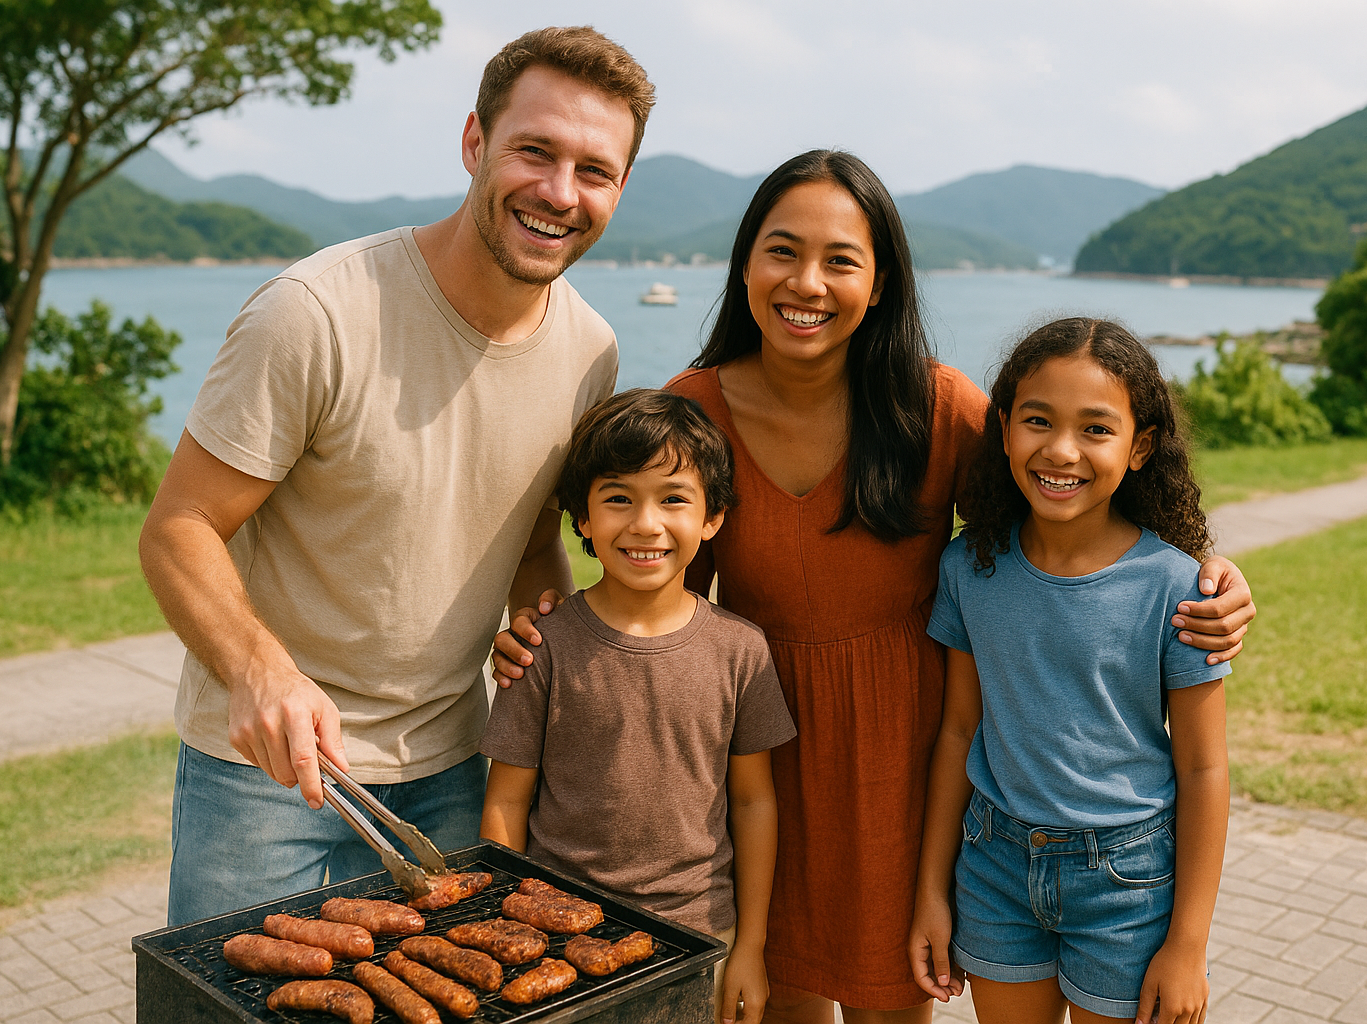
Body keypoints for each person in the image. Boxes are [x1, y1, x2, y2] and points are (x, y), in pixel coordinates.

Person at [497, 149, 1256, 1023]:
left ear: (882, 280)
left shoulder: (937, 407)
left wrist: (1209, 569)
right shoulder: (693, 410)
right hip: (756, 756)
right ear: (745, 261)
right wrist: (551, 635)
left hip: (911, 762)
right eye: (781, 251)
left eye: (841, 260)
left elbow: (1069, 492)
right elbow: (651, 592)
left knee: (893, 1001)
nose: (806, 282)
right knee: (780, 999)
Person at [138, 26, 654, 926]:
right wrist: (261, 670)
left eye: (594, 170)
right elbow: (179, 528)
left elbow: (532, 534)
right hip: (266, 774)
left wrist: (550, 647)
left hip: (453, 769)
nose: (558, 192)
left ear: (620, 188)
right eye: (534, 151)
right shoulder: (315, 313)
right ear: (473, 142)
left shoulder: (591, 354)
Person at [909, 318, 1229, 1024]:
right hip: (994, 868)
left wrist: (1188, 945)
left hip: (1128, 883)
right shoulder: (970, 567)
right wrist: (932, 890)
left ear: (1141, 446)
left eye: (1096, 429)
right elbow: (958, 729)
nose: (1061, 451)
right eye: (1038, 421)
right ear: (1002, 427)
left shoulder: (1178, 589)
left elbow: (1204, 769)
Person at [480, 389, 795, 1024]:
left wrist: (751, 949)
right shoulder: (544, 648)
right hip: (558, 938)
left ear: (713, 518)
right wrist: (511, 928)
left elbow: (755, 802)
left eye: (674, 498)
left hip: (700, 938)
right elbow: (506, 801)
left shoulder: (742, 651)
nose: (645, 523)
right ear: (583, 520)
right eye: (618, 497)